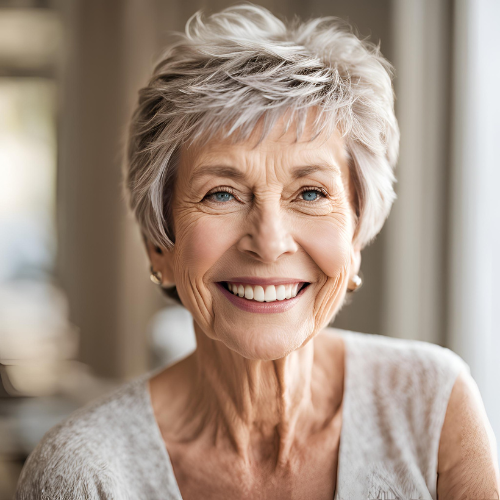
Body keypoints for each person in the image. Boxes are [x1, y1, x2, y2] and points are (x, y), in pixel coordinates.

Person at [16, 4, 500, 499]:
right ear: (159, 244)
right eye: (221, 193)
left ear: (355, 238)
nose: (269, 243)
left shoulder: (433, 406)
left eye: (310, 193)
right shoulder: (83, 473)